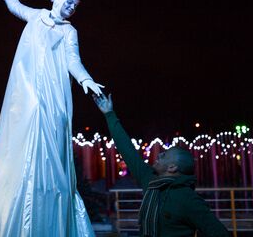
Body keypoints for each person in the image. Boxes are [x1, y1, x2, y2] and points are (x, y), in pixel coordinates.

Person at [0, 0, 104, 236]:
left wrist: (85, 80)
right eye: (68, 1)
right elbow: (16, 7)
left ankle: (49, 197)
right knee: (26, 130)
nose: (71, 8)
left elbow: (72, 60)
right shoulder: (37, 17)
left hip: (54, 94)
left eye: (74, 5)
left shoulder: (69, 31)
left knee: (50, 141)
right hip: (28, 89)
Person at [92, 93, 229, 237]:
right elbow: (128, 151)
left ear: (172, 168)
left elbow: (218, 232)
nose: (158, 155)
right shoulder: (151, 180)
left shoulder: (188, 199)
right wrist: (109, 114)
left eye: (164, 155)